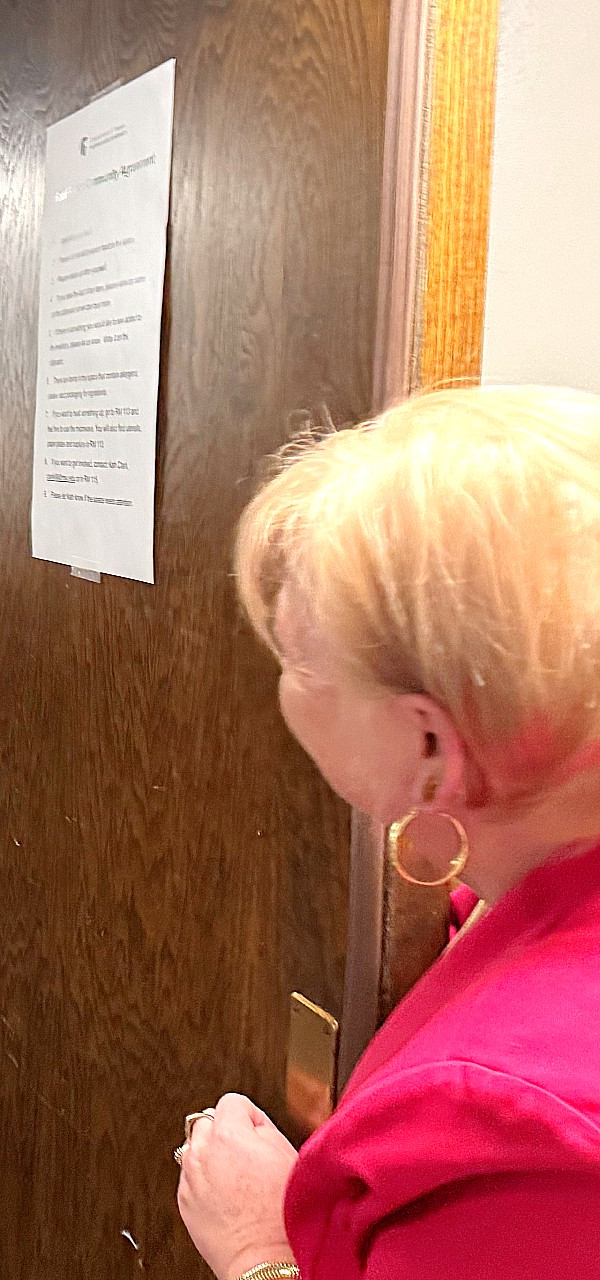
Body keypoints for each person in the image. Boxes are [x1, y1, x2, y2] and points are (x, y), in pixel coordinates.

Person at [175, 385, 600, 1279]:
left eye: (298, 661)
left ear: (428, 745)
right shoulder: (538, 863)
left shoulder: (524, 1138)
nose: (283, 682)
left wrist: (259, 1251)